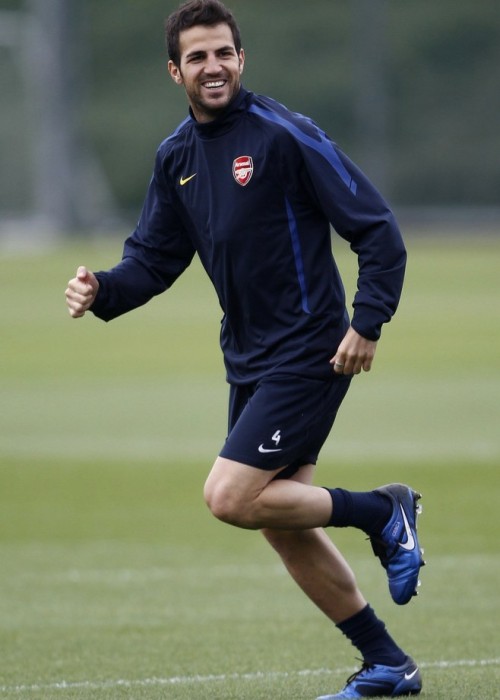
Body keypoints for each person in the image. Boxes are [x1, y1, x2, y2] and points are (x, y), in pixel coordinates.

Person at [65, 1, 425, 697]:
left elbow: (377, 229)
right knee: (279, 518)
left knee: (230, 497)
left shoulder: (283, 135)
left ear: (242, 59)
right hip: (249, 359)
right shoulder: (177, 157)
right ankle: (387, 664)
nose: (213, 67)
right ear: (175, 71)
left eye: (223, 52)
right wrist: (100, 289)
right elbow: (152, 261)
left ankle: (384, 511)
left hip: (313, 348)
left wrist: (368, 320)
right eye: (197, 57)